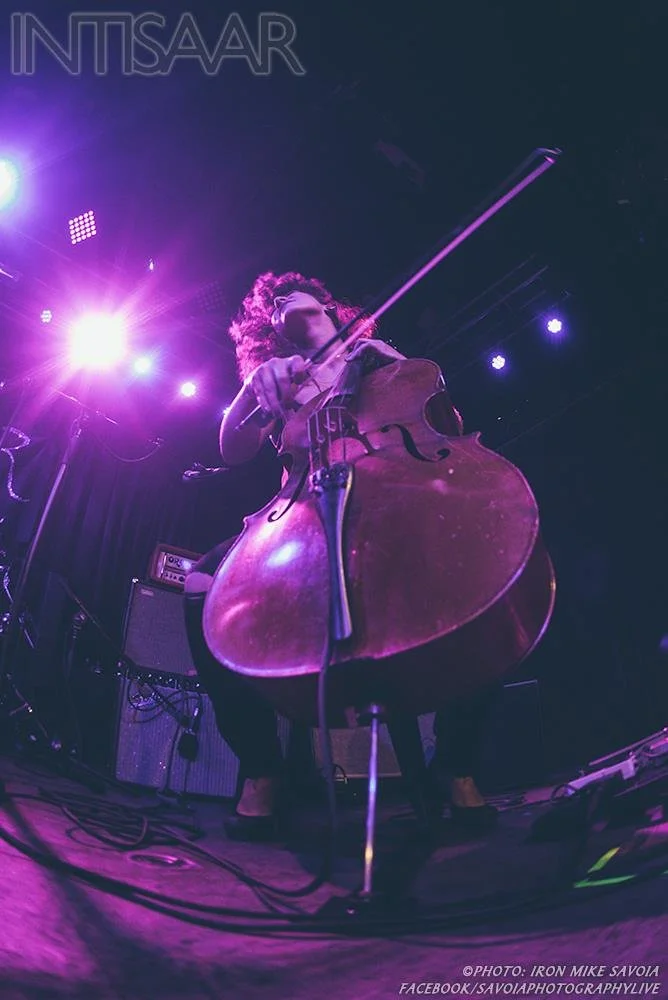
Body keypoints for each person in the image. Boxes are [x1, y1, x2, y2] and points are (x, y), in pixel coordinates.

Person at [183, 271, 499, 840]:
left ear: (327, 306)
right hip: (302, 518)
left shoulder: (375, 356)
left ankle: (456, 763)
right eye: (272, 305)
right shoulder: (280, 382)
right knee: (201, 585)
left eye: (291, 293)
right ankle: (261, 770)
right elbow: (232, 450)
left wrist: (392, 363)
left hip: (392, 507)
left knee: (479, 563)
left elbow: (438, 421)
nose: (281, 301)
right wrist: (252, 386)